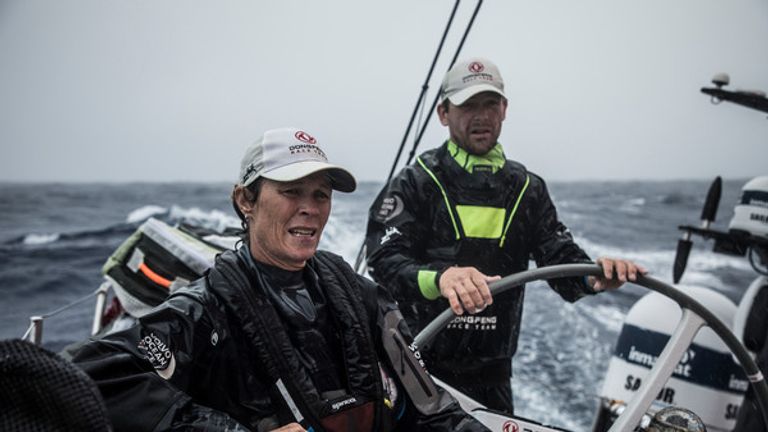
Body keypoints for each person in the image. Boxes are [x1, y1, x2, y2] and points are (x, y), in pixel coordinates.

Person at [72, 127, 489, 432]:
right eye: (291, 191)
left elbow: (431, 407)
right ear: (245, 200)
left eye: (320, 195)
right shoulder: (205, 311)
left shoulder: (361, 295)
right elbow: (89, 374)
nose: (309, 208)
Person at [365, 58, 646, 414]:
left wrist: (596, 275)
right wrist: (442, 279)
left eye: (490, 103)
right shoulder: (416, 182)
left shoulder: (527, 189)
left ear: (505, 109)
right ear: (443, 113)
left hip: (494, 378)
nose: (481, 115)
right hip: (420, 372)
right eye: (468, 105)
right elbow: (384, 259)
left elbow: (560, 259)